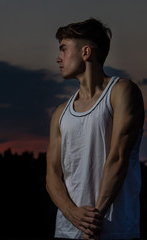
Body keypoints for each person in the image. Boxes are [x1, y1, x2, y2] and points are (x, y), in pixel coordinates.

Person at [46, 18, 145, 239]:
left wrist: (93, 222)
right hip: (67, 231)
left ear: (86, 52)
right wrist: (73, 214)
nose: (58, 58)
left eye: (64, 49)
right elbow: (52, 175)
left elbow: (118, 158)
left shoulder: (122, 92)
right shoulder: (60, 114)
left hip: (114, 229)